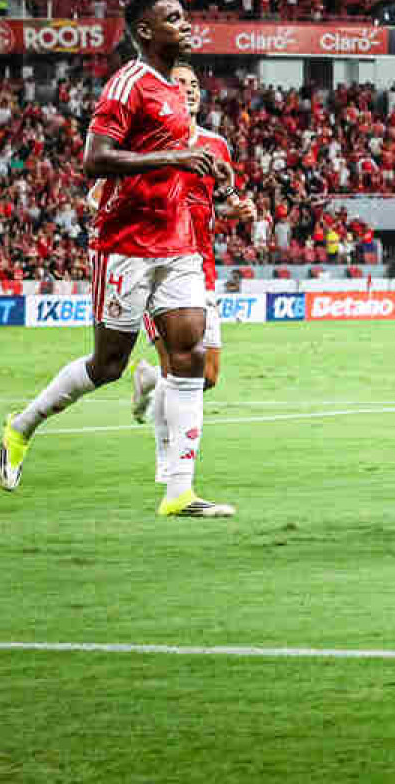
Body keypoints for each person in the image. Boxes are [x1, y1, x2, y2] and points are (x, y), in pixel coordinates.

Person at [0, 0, 235, 517]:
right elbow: (94, 159)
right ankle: (22, 426)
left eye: (183, 14)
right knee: (107, 365)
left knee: (190, 357)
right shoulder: (129, 83)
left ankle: (179, 491)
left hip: (178, 245)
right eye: (172, 18)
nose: (185, 22)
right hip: (125, 247)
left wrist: (200, 168)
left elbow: (176, 162)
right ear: (146, 32)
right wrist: (179, 155)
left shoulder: (174, 91)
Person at [122, 60, 256, 486]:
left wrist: (234, 209)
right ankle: (168, 468)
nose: (191, 89)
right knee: (178, 368)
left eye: (195, 83)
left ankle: (147, 381)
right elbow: (96, 197)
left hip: (203, 267)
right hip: (159, 267)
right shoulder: (148, 145)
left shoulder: (216, 146)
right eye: (180, 83)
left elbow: (219, 200)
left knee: (207, 376)